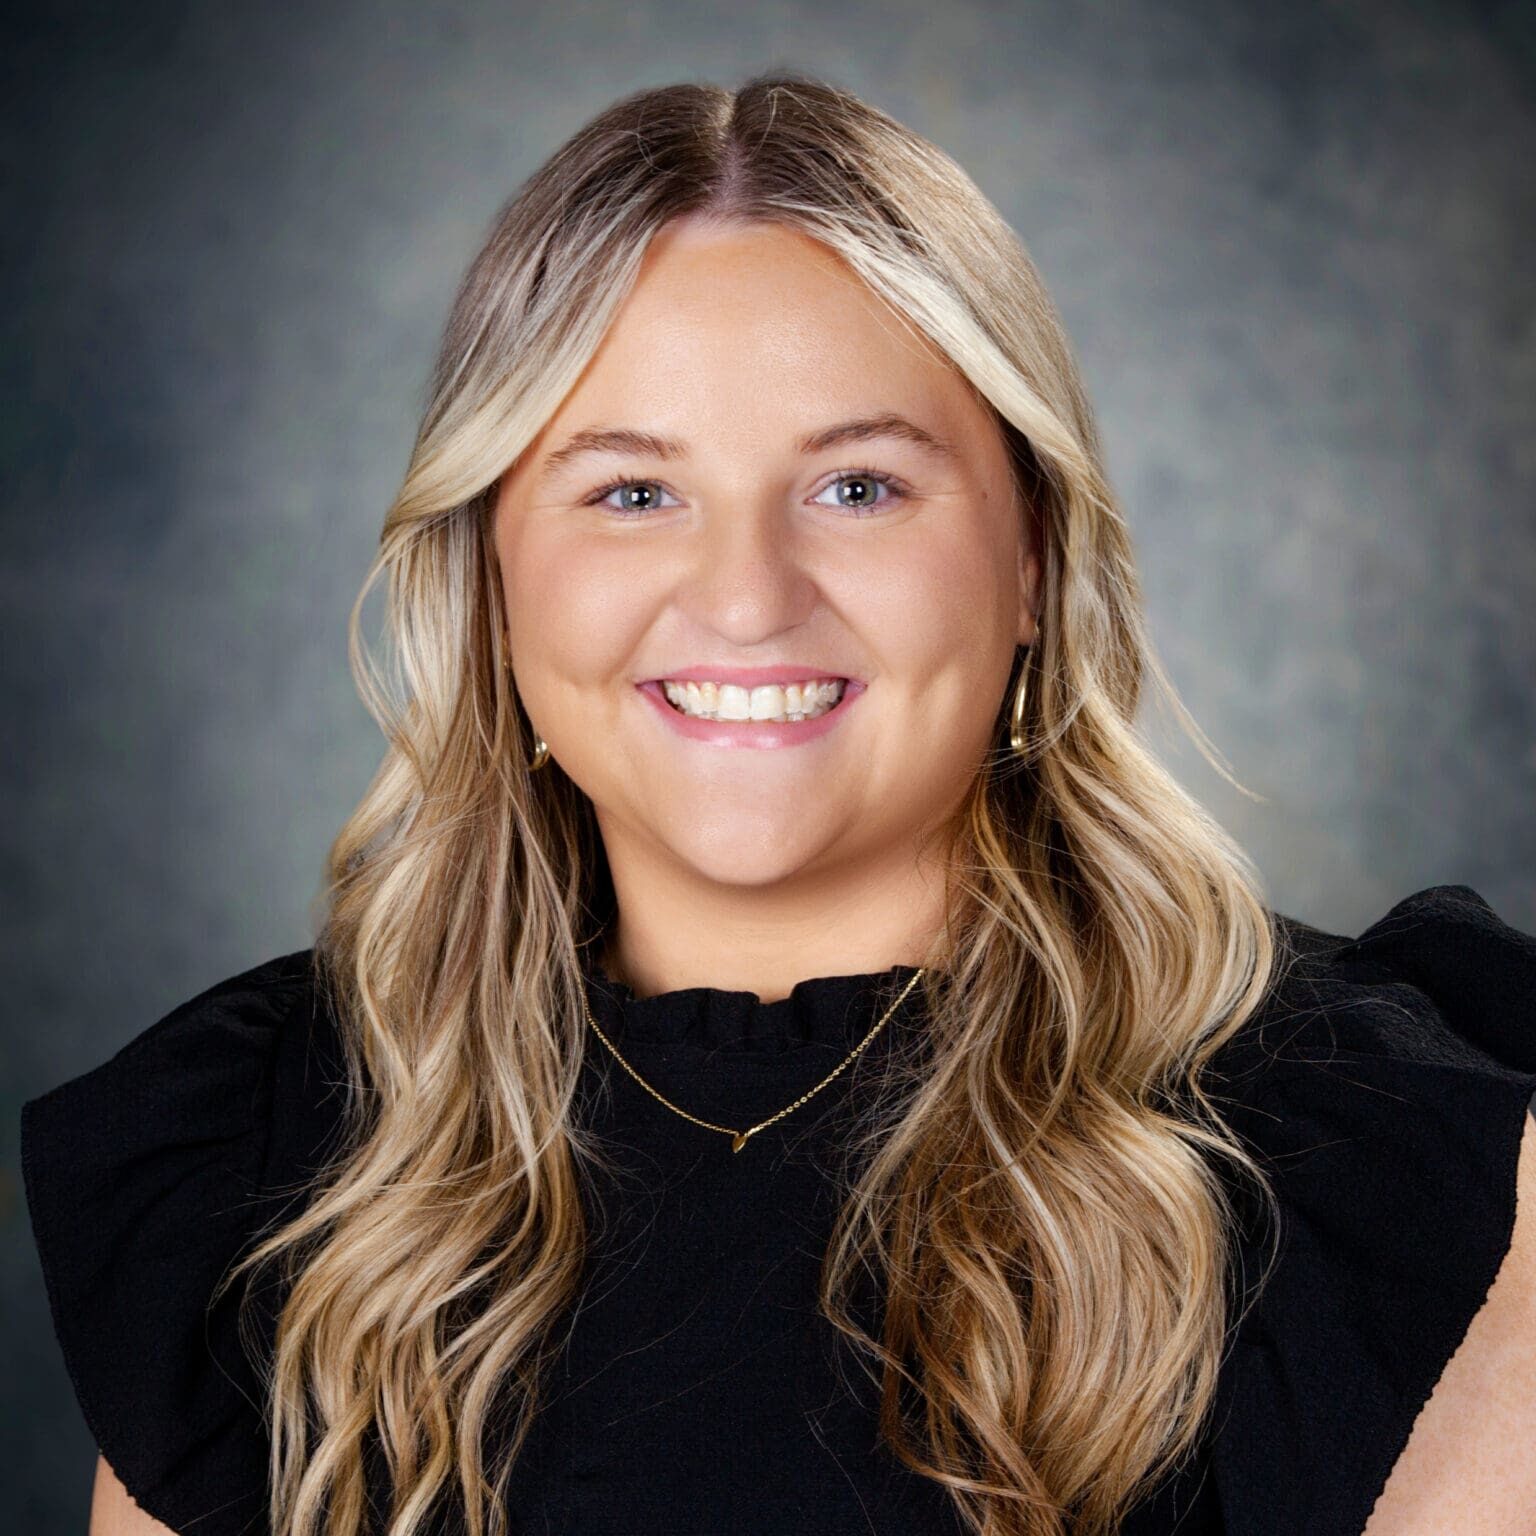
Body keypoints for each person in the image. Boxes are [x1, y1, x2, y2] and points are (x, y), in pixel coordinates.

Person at [19, 72, 1536, 1536]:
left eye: (859, 485)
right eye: (630, 490)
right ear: (490, 581)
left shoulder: (1393, 1163)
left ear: (1033, 562)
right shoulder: (259, 1171)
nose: (745, 599)